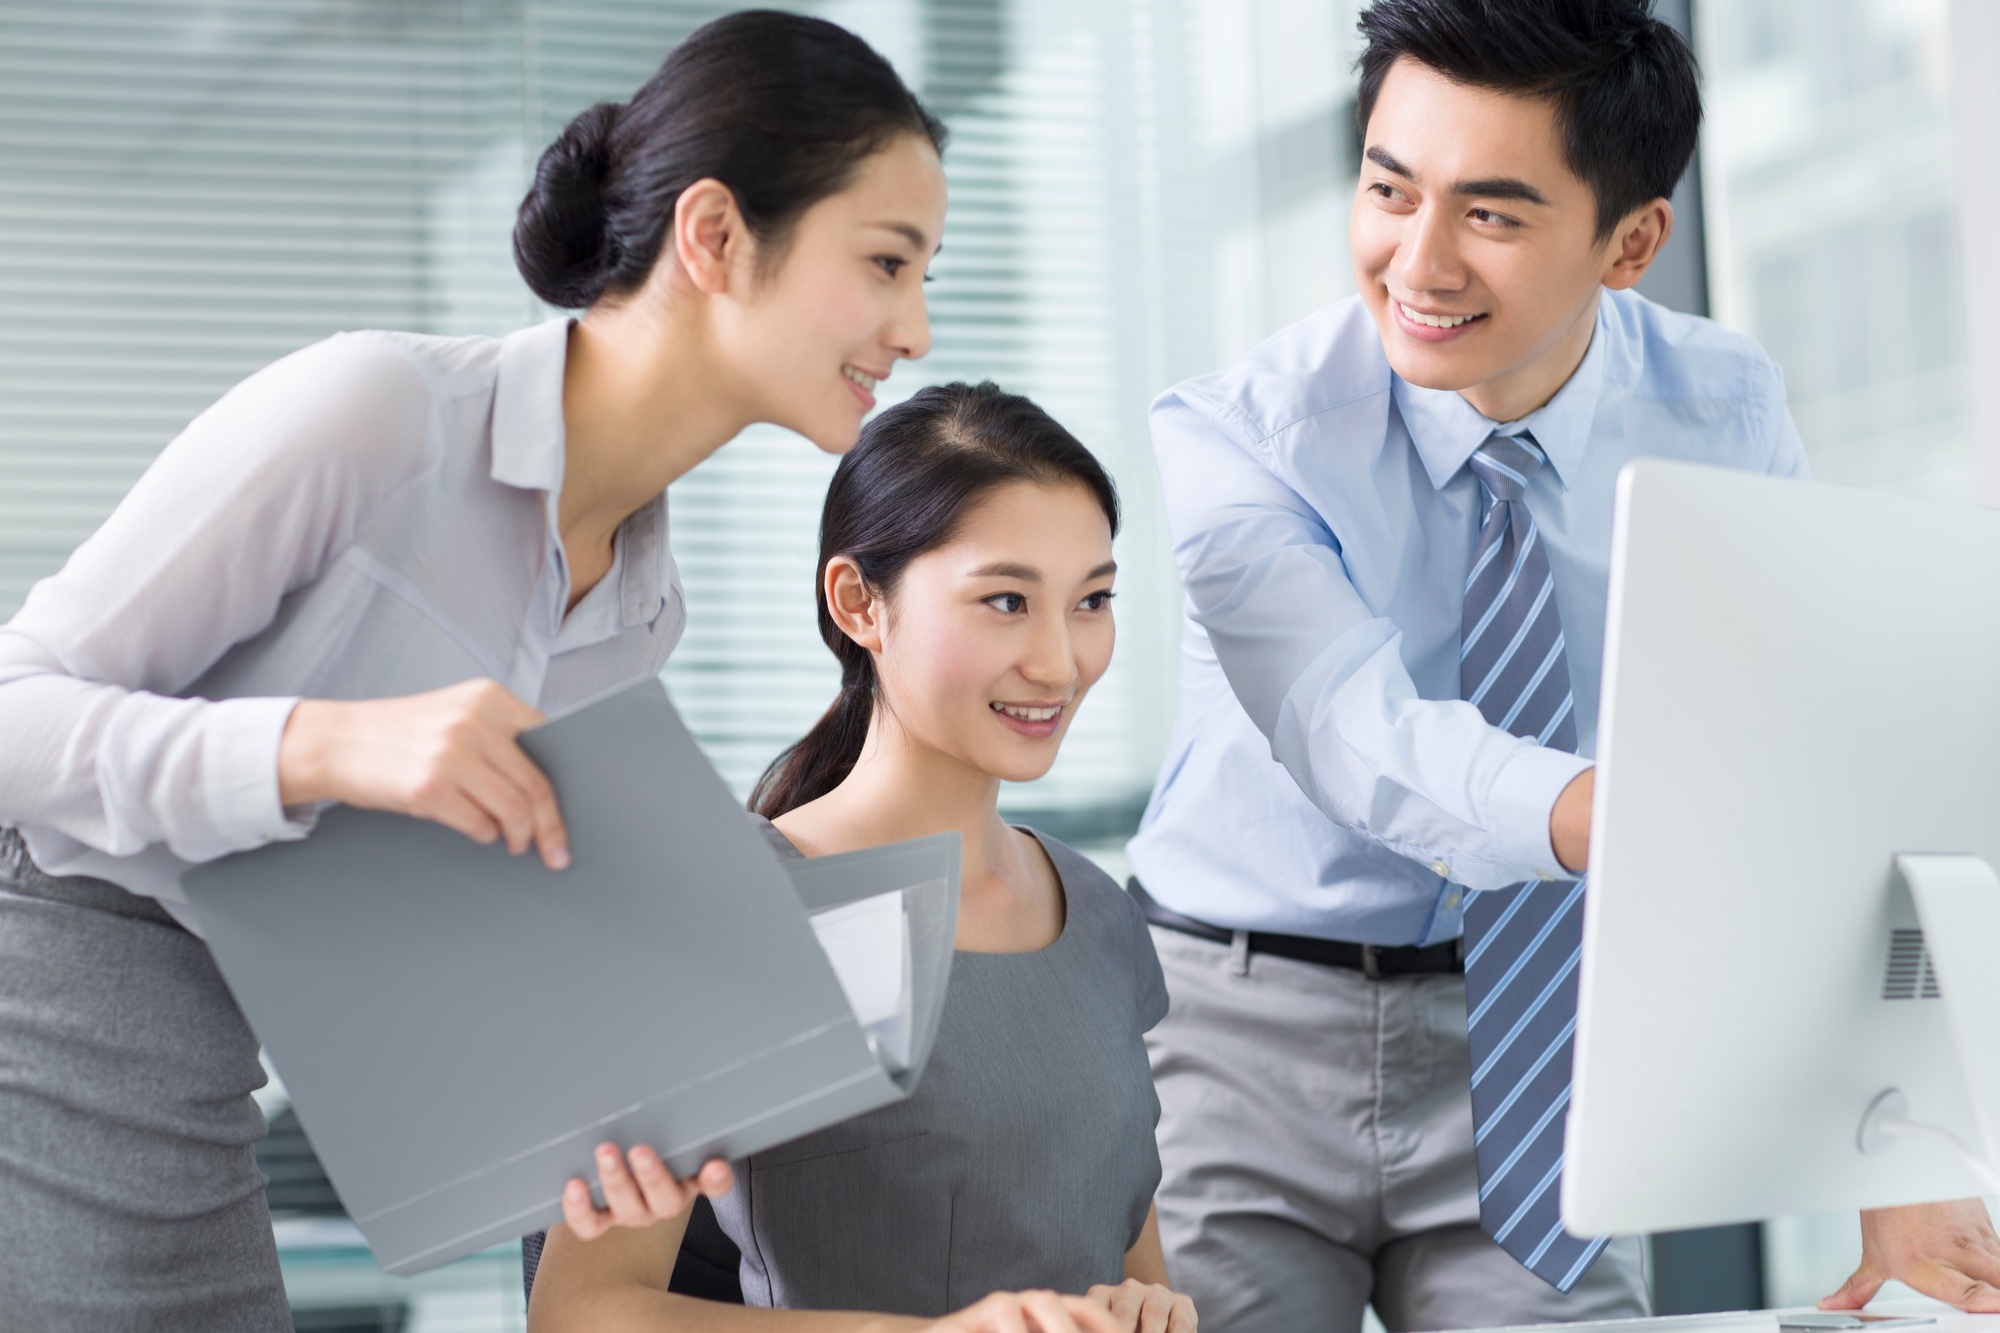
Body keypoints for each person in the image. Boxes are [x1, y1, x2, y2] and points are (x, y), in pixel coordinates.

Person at [0, 12, 948, 1328]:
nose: (912, 328)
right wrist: (325, 746)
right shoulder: (376, 416)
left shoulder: (639, 608)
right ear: (717, 236)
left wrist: (627, 1126)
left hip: (225, 1029)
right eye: (887, 262)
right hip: (49, 956)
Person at [1124, 1, 2000, 1330]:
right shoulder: (1249, 436)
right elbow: (1356, 734)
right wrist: (1617, 814)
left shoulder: (1722, 405)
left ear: (1633, 242)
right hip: (1239, 1037)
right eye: (1387, 189)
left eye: (1491, 213)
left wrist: (1894, 1140)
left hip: (1535, 1023)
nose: (1415, 261)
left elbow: (1820, 754)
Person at [526, 383, 1197, 1333]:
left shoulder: (1097, 915)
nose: (1059, 660)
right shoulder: (731, 913)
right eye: (1006, 600)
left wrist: (1147, 1309)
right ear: (858, 604)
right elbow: (581, 1312)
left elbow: (1121, 1256)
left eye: (1091, 600)